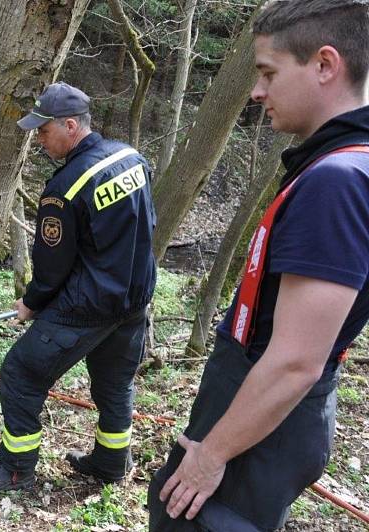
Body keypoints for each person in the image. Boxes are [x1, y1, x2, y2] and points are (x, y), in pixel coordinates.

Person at [148, 1, 369, 530]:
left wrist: (211, 455)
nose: (256, 92)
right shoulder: (339, 166)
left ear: (324, 64)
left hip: (260, 423)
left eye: (268, 73)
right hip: (263, 411)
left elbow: (295, 361)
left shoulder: (336, 183)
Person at [0, 82, 157, 492]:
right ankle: (110, 463)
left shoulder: (64, 189)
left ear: (71, 126)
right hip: (134, 300)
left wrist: (32, 303)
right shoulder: (133, 159)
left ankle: (16, 470)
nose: (38, 139)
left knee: (19, 372)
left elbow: (52, 267)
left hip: (87, 307)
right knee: (115, 383)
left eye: (43, 130)